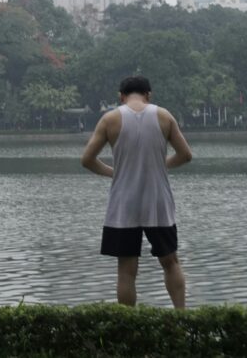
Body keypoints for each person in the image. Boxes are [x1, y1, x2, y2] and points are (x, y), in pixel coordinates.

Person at [81, 76, 193, 308]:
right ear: (148, 94)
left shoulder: (110, 119)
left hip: (124, 203)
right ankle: (183, 318)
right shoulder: (164, 116)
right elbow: (185, 155)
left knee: (126, 269)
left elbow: (87, 160)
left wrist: (115, 172)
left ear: (121, 96)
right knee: (171, 261)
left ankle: (128, 325)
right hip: (157, 201)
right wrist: (162, 165)